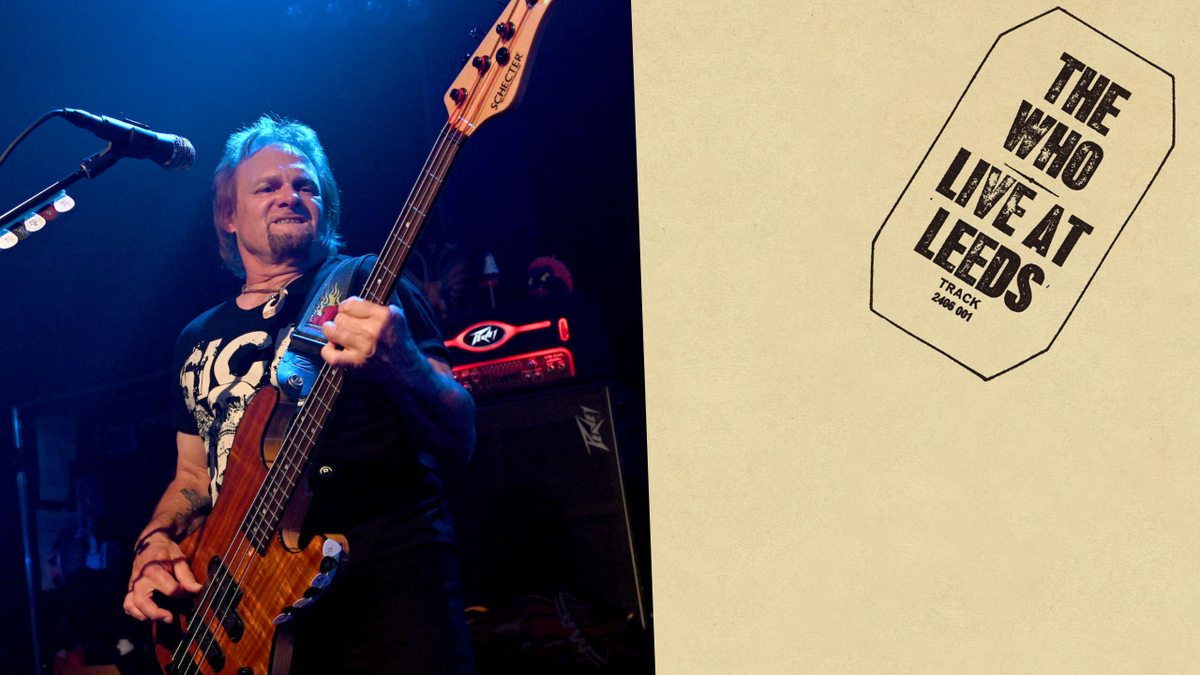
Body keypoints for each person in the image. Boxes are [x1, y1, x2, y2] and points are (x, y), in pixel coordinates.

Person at [122, 115, 477, 674]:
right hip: (245, 604)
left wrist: (404, 364)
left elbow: (461, 436)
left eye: (305, 185)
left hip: (384, 578)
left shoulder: (369, 283)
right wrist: (154, 544)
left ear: (324, 207)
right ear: (227, 215)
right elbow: (193, 477)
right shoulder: (194, 337)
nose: (290, 196)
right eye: (267, 186)